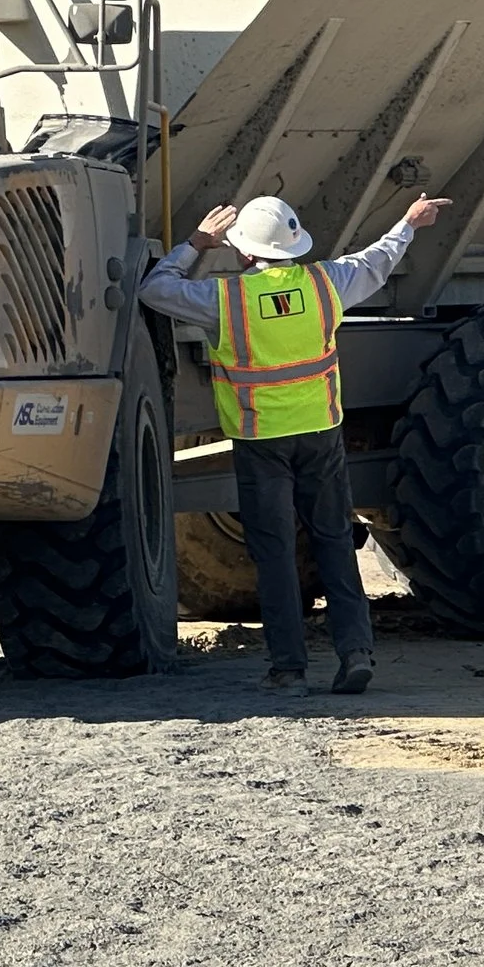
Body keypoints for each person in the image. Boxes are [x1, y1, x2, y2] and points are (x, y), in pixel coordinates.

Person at [140, 191, 449, 694]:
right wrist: (409, 223)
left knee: (276, 552)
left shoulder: (227, 299)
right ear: (293, 245)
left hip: (261, 440)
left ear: (243, 252)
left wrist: (197, 243)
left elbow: (156, 290)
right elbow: (376, 261)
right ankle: (355, 653)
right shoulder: (325, 284)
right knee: (333, 540)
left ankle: (289, 669)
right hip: (321, 434)